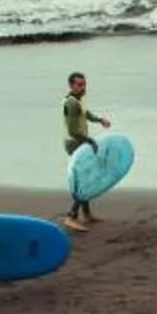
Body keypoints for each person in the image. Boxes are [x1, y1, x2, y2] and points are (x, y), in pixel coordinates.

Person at [62, 70, 111, 230]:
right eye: (79, 84)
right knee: (84, 180)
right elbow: (72, 130)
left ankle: (87, 214)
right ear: (71, 85)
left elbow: (85, 114)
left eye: (84, 84)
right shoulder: (71, 103)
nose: (83, 87)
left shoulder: (78, 100)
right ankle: (71, 216)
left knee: (86, 176)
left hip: (80, 142)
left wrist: (99, 120)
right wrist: (90, 141)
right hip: (75, 143)